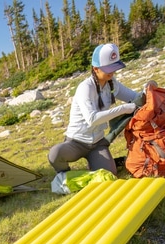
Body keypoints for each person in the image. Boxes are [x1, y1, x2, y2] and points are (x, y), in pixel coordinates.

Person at [48, 43, 151, 176]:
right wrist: (124, 109)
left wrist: (147, 90)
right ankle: (64, 174)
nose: (112, 72)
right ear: (96, 69)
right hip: (76, 142)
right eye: (108, 69)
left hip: (97, 144)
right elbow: (92, 119)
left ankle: (101, 162)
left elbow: (134, 97)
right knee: (55, 154)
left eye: (115, 68)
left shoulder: (112, 83)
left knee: (109, 175)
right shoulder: (85, 87)